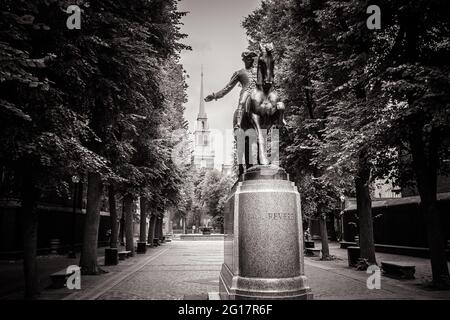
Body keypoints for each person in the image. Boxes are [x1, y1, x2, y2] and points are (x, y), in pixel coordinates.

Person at [204, 50, 258, 129]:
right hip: (247, 91)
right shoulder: (239, 73)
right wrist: (214, 96)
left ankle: (278, 121)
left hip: (259, 92)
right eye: (247, 58)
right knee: (242, 102)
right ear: (244, 60)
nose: (250, 59)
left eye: (251, 57)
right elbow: (228, 87)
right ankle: (239, 124)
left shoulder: (259, 71)